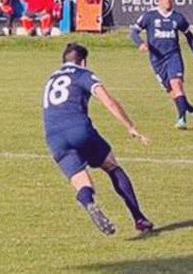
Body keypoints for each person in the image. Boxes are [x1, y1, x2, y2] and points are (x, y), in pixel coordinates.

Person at [42, 43, 153, 236]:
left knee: (81, 182)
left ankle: (89, 202)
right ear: (83, 61)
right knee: (111, 165)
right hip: (78, 129)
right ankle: (139, 218)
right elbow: (108, 101)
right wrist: (130, 126)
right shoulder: (83, 74)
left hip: (53, 137)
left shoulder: (51, 78)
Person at [130, 0, 193, 130]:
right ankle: (190, 109)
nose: (168, 0)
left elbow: (189, 36)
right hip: (156, 60)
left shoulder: (178, 17)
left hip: (173, 56)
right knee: (172, 92)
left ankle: (181, 119)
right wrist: (140, 43)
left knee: (177, 84)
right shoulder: (149, 16)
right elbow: (133, 32)